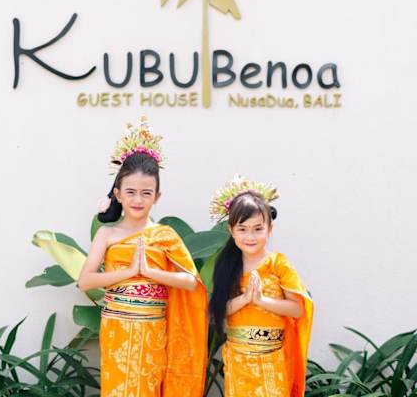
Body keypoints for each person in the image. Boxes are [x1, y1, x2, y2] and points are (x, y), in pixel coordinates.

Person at [78, 117, 207, 397]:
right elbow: (85, 281)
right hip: (117, 329)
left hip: (153, 330)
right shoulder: (107, 234)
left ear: (157, 196)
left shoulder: (165, 235)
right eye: (131, 192)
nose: (138, 200)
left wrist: (150, 272)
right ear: (118, 194)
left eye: (146, 193)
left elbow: (190, 282)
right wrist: (128, 272)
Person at [209, 175, 314, 397]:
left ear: (269, 228)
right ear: (231, 230)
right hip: (238, 361)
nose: (250, 236)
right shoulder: (227, 267)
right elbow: (218, 311)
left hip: (273, 360)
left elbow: (298, 309)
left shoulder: (279, 264)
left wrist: (261, 301)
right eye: (243, 229)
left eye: (258, 229)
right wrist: (245, 299)